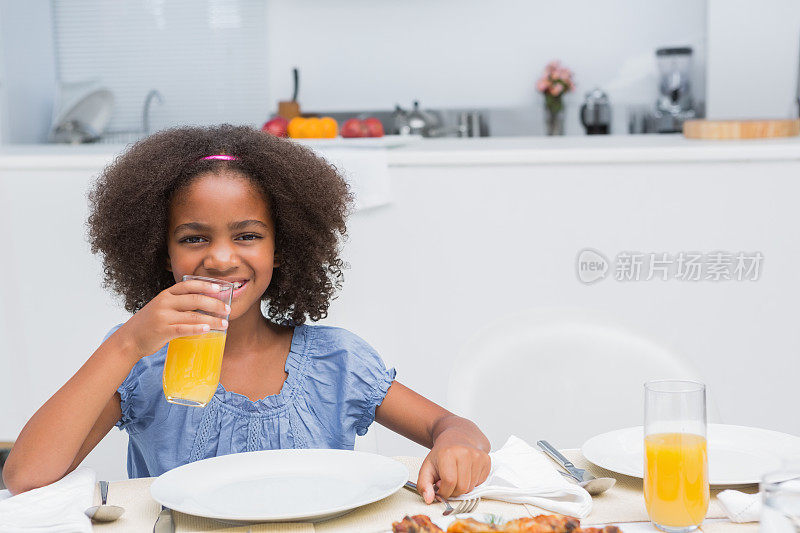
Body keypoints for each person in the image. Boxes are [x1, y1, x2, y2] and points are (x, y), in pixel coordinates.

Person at [3, 125, 490, 503]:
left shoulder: (336, 361)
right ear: (162, 253)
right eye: (194, 238)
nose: (220, 258)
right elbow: (25, 477)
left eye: (247, 236)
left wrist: (457, 446)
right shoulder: (142, 363)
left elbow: (452, 427)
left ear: (283, 249)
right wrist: (127, 343)